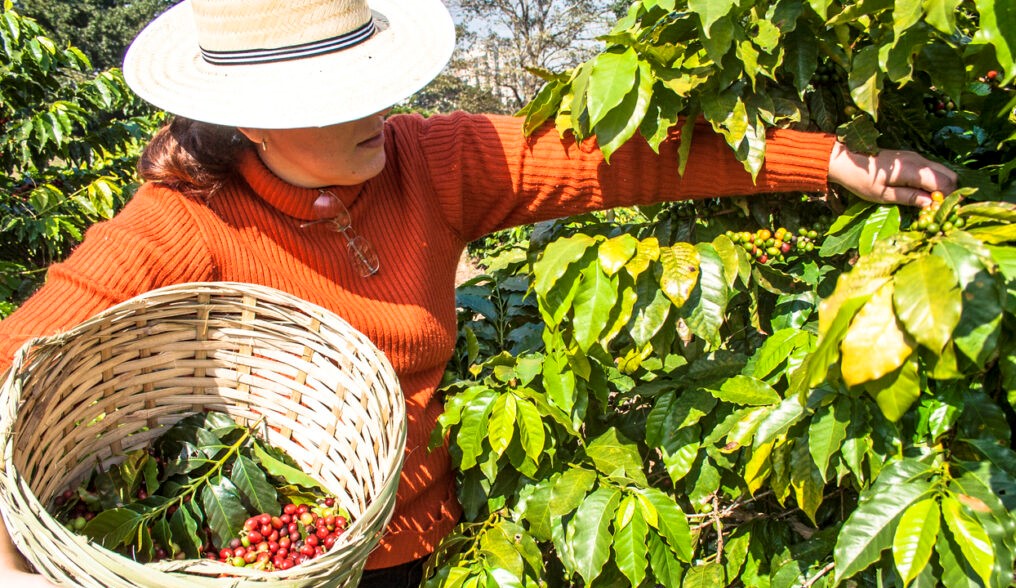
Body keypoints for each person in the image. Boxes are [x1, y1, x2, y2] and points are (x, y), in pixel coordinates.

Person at [0, 0, 956, 586]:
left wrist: (828, 159)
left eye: (371, 79)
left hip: (425, 542)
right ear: (254, 125)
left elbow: (603, 158)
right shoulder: (183, 222)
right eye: (340, 99)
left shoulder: (430, 161)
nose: (382, 109)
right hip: (255, 567)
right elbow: (21, 356)